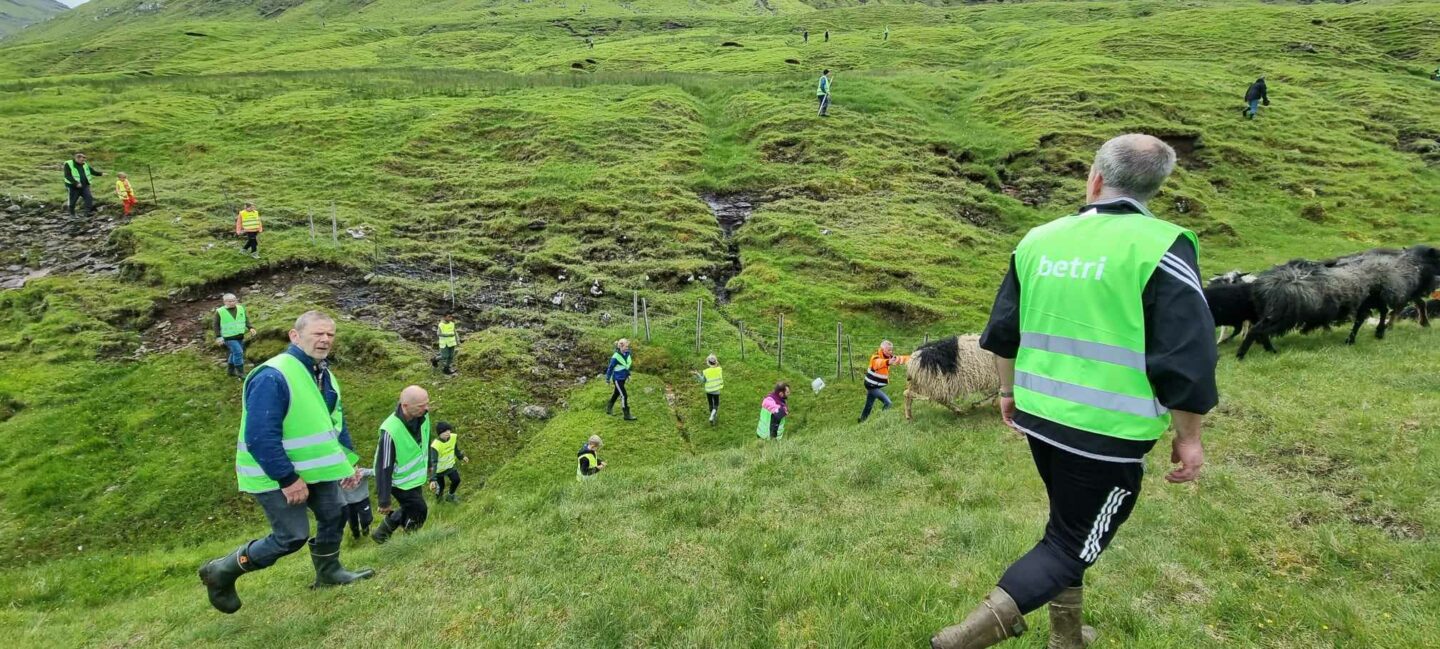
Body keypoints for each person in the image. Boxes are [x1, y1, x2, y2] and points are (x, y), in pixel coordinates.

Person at [930, 134, 1218, 649]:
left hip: (1040, 418)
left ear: (1096, 179)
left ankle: (1066, 637)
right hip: (1107, 433)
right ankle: (965, 638)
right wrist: (1189, 436)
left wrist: (1006, 392)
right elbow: (1186, 354)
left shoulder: (1038, 240)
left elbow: (1003, 332)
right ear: (1155, 187)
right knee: (1070, 544)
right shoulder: (1163, 246)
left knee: (1065, 527)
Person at [197, 311, 373, 615]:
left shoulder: (323, 374)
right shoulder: (273, 375)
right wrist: (288, 479)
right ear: (295, 336)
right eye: (318, 333)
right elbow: (259, 436)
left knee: (335, 512)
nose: (325, 340)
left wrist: (348, 465)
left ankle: (329, 573)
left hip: (314, 471)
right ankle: (221, 570)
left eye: (330, 335)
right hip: (274, 474)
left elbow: (335, 424)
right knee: (291, 537)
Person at [371, 385, 432, 544]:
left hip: (414, 477)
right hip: (399, 482)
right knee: (419, 510)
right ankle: (409, 540)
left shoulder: (423, 416)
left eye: (427, 403)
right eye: (421, 405)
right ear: (405, 406)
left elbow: (426, 439)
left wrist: (429, 463)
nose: (426, 408)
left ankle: (381, 533)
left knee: (409, 507)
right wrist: (384, 500)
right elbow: (383, 467)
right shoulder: (390, 431)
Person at [859, 340, 909, 423]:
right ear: (883, 349)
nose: (891, 351)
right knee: (888, 403)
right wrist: (888, 362)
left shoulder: (890, 357)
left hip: (875, 385)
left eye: (891, 350)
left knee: (869, 405)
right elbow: (878, 363)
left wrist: (913, 357)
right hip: (871, 385)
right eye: (889, 350)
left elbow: (901, 359)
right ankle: (880, 421)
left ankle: (861, 421)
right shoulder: (875, 357)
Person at [214, 293, 256, 378]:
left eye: (234, 300)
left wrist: (250, 327)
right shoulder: (220, 311)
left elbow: (246, 319)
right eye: (229, 301)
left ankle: (230, 371)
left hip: (239, 336)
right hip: (228, 337)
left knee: (234, 353)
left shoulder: (240, 308)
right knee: (239, 352)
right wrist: (218, 337)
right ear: (225, 302)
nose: (232, 303)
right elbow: (216, 325)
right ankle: (241, 373)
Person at [428, 421, 467, 503]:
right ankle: (439, 502)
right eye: (444, 431)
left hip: (450, 466)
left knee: (456, 480)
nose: (448, 432)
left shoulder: (453, 437)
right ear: (439, 433)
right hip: (439, 470)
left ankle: (450, 496)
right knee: (441, 487)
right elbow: (434, 462)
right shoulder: (435, 445)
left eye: (448, 430)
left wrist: (461, 457)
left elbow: (455, 449)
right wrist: (432, 479)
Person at [605, 338, 637, 421]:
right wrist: (607, 379)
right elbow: (610, 368)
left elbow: (625, 366)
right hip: (617, 379)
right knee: (624, 395)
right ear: (621, 347)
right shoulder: (615, 357)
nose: (627, 348)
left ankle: (609, 408)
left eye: (628, 346)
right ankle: (626, 414)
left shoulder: (627, 354)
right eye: (626, 347)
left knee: (616, 393)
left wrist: (628, 374)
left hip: (623, 378)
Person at [62, 152, 102, 218]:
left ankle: (87, 213)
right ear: (77, 159)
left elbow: (92, 171)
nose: (83, 161)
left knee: (89, 197)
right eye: (82, 160)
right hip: (73, 187)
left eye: (84, 160)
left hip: (84, 185)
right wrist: (76, 183)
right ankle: (72, 214)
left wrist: (101, 174)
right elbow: (67, 176)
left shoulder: (84, 164)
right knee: (73, 200)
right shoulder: (68, 164)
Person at [341, 467, 375, 541]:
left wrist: (364, 472)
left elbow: (376, 471)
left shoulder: (362, 472)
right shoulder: (339, 475)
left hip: (363, 500)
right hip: (348, 503)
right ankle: (356, 537)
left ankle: (366, 533)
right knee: (352, 523)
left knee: (366, 520)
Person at [693, 354, 724, 425]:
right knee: (716, 404)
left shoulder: (706, 371)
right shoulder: (719, 369)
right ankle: (712, 416)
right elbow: (717, 366)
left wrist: (697, 374)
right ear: (716, 361)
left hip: (709, 390)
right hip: (716, 390)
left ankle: (712, 418)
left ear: (708, 362)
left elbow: (702, 380)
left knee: (710, 404)